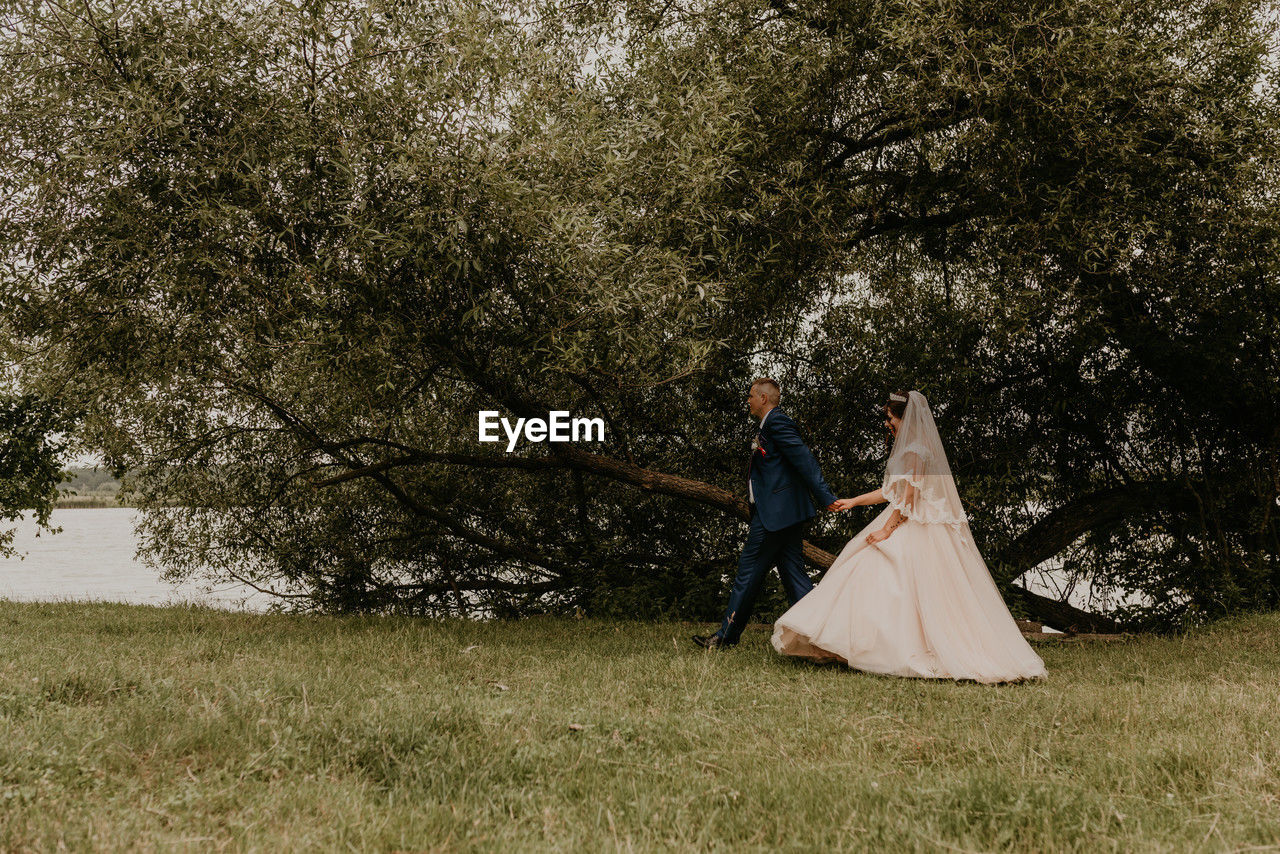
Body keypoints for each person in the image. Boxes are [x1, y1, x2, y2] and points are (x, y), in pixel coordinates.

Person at [771, 390, 1047, 684]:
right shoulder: (915, 447)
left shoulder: (915, 450)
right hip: (911, 516)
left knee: (889, 570)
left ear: (903, 417)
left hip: (917, 524)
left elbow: (910, 498)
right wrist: (853, 501)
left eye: (889, 418)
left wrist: (887, 529)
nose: (887, 423)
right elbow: (891, 492)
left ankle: (891, 648)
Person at [693, 377, 839, 650]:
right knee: (795, 576)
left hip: (774, 517)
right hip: (784, 515)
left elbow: (804, 459)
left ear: (763, 398)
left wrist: (826, 497)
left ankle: (725, 637)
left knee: (747, 574)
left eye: (750, 396)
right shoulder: (767, 426)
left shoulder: (776, 422)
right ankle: (823, 636)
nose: (747, 401)